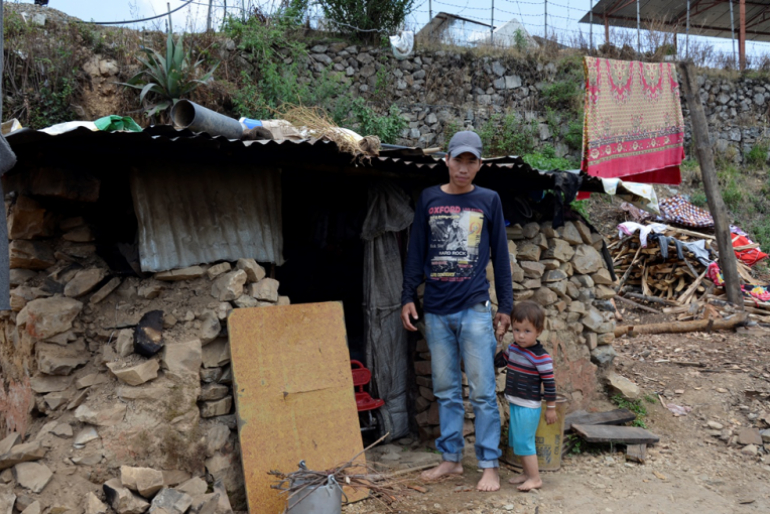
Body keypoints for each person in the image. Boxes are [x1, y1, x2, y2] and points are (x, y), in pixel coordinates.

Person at [401, 131, 513, 492]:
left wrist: (506, 307)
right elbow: (416, 251)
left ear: (480, 165)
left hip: (475, 309)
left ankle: (489, 465)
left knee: (482, 392)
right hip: (435, 310)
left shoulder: (489, 199)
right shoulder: (429, 199)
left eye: (471, 161)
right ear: (446, 160)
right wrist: (408, 296)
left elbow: (500, 256)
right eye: (458, 160)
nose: (464, 168)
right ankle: (450, 459)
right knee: (447, 390)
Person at [495, 300, 557, 492]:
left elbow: (549, 385)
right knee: (518, 440)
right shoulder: (513, 349)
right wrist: (498, 342)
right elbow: (499, 362)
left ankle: (535, 478)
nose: (520, 336)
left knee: (524, 441)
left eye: (527, 331)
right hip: (515, 402)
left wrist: (551, 408)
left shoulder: (542, 357)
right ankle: (526, 473)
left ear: (538, 331)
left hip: (529, 406)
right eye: (516, 330)